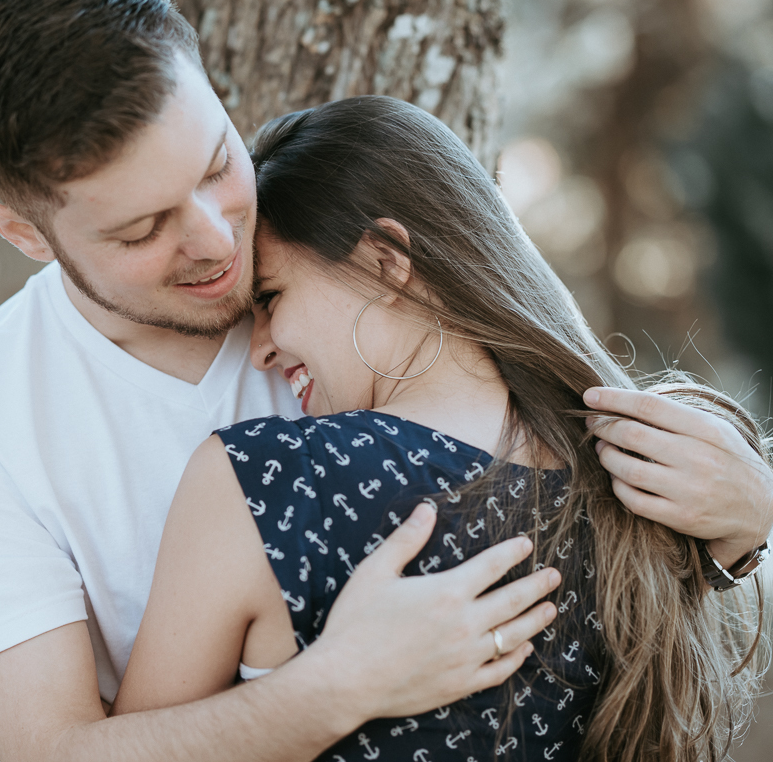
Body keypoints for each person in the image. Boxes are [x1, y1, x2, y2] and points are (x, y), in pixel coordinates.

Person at [0, 0, 773, 761]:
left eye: (215, 166)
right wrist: (339, 685)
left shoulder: (349, 277)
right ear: (25, 235)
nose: (215, 240)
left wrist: (750, 522)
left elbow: (589, 509)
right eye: (142, 229)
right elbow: (50, 751)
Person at [110, 96, 771, 761]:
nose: (260, 350)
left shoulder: (269, 483)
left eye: (272, 298)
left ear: (386, 261)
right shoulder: (647, 482)